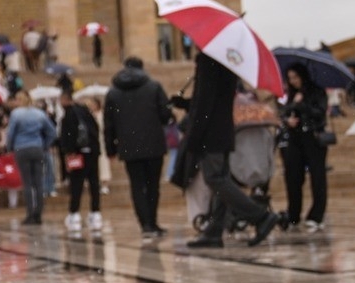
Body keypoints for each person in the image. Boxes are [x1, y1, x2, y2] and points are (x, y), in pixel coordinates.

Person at [173, 53, 284, 248]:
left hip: (211, 133)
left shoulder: (208, 60)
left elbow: (205, 102)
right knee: (221, 178)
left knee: (216, 178)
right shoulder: (226, 60)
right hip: (223, 130)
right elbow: (215, 98)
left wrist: (194, 136)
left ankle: (261, 216)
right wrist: (185, 104)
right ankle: (214, 232)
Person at [104, 56, 171, 239]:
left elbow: (108, 124)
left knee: (137, 185)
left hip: (129, 146)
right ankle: (153, 222)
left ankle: (145, 225)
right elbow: (165, 115)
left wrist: (110, 149)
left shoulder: (113, 93)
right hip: (153, 144)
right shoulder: (154, 87)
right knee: (153, 185)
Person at [277, 63, 330, 231]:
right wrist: (288, 119)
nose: (293, 81)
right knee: (293, 177)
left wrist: (301, 105)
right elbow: (284, 112)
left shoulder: (317, 92)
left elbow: (320, 113)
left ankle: (316, 214)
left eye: (296, 77)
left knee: (317, 177)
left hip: (313, 138)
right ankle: (294, 213)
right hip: (295, 139)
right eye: (290, 78)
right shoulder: (291, 94)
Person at [5, 90, 56, 225]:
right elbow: (52, 131)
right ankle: (38, 213)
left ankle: (30, 213)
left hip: (21, 149)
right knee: (38, 182)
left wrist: (10, 147)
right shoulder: (39, 114)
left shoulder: (16, 114)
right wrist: (45, 145)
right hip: (38, 148)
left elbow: (10, 134)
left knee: (27, 183)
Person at [59, 86, 102, 236]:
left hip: (77, 153)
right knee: (94, 183)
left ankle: (74, 214)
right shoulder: (85, 112)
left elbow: (67, 136)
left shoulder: (68, 115)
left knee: (77, 183)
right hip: (92, 152)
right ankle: (96, 214)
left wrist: (68, 153)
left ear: (65, 99)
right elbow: (95, 130)